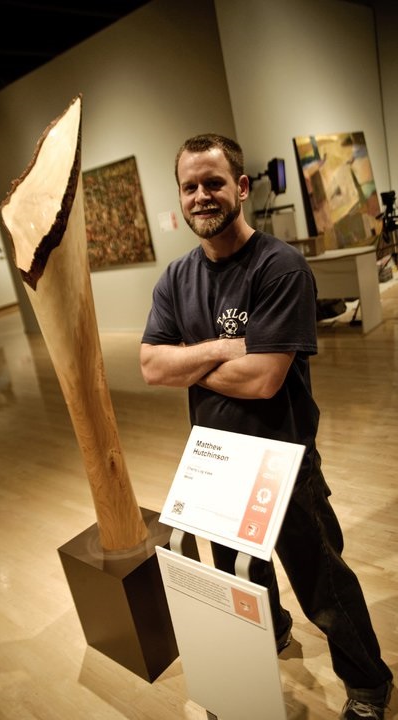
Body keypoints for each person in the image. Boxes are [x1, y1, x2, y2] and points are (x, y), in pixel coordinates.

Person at [140, 133, 393, 720]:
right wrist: (230, 346)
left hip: (283, 459)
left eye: (213, 182)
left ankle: (369, 685)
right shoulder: (176, 278)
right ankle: (271, 635)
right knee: (237, 580)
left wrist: (191, 361)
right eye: (190, 186)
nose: (201, 195)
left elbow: (263, 382)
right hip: (215, 460)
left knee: (324, 587)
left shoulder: (280, 266)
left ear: (242, 187)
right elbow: (152, 366)